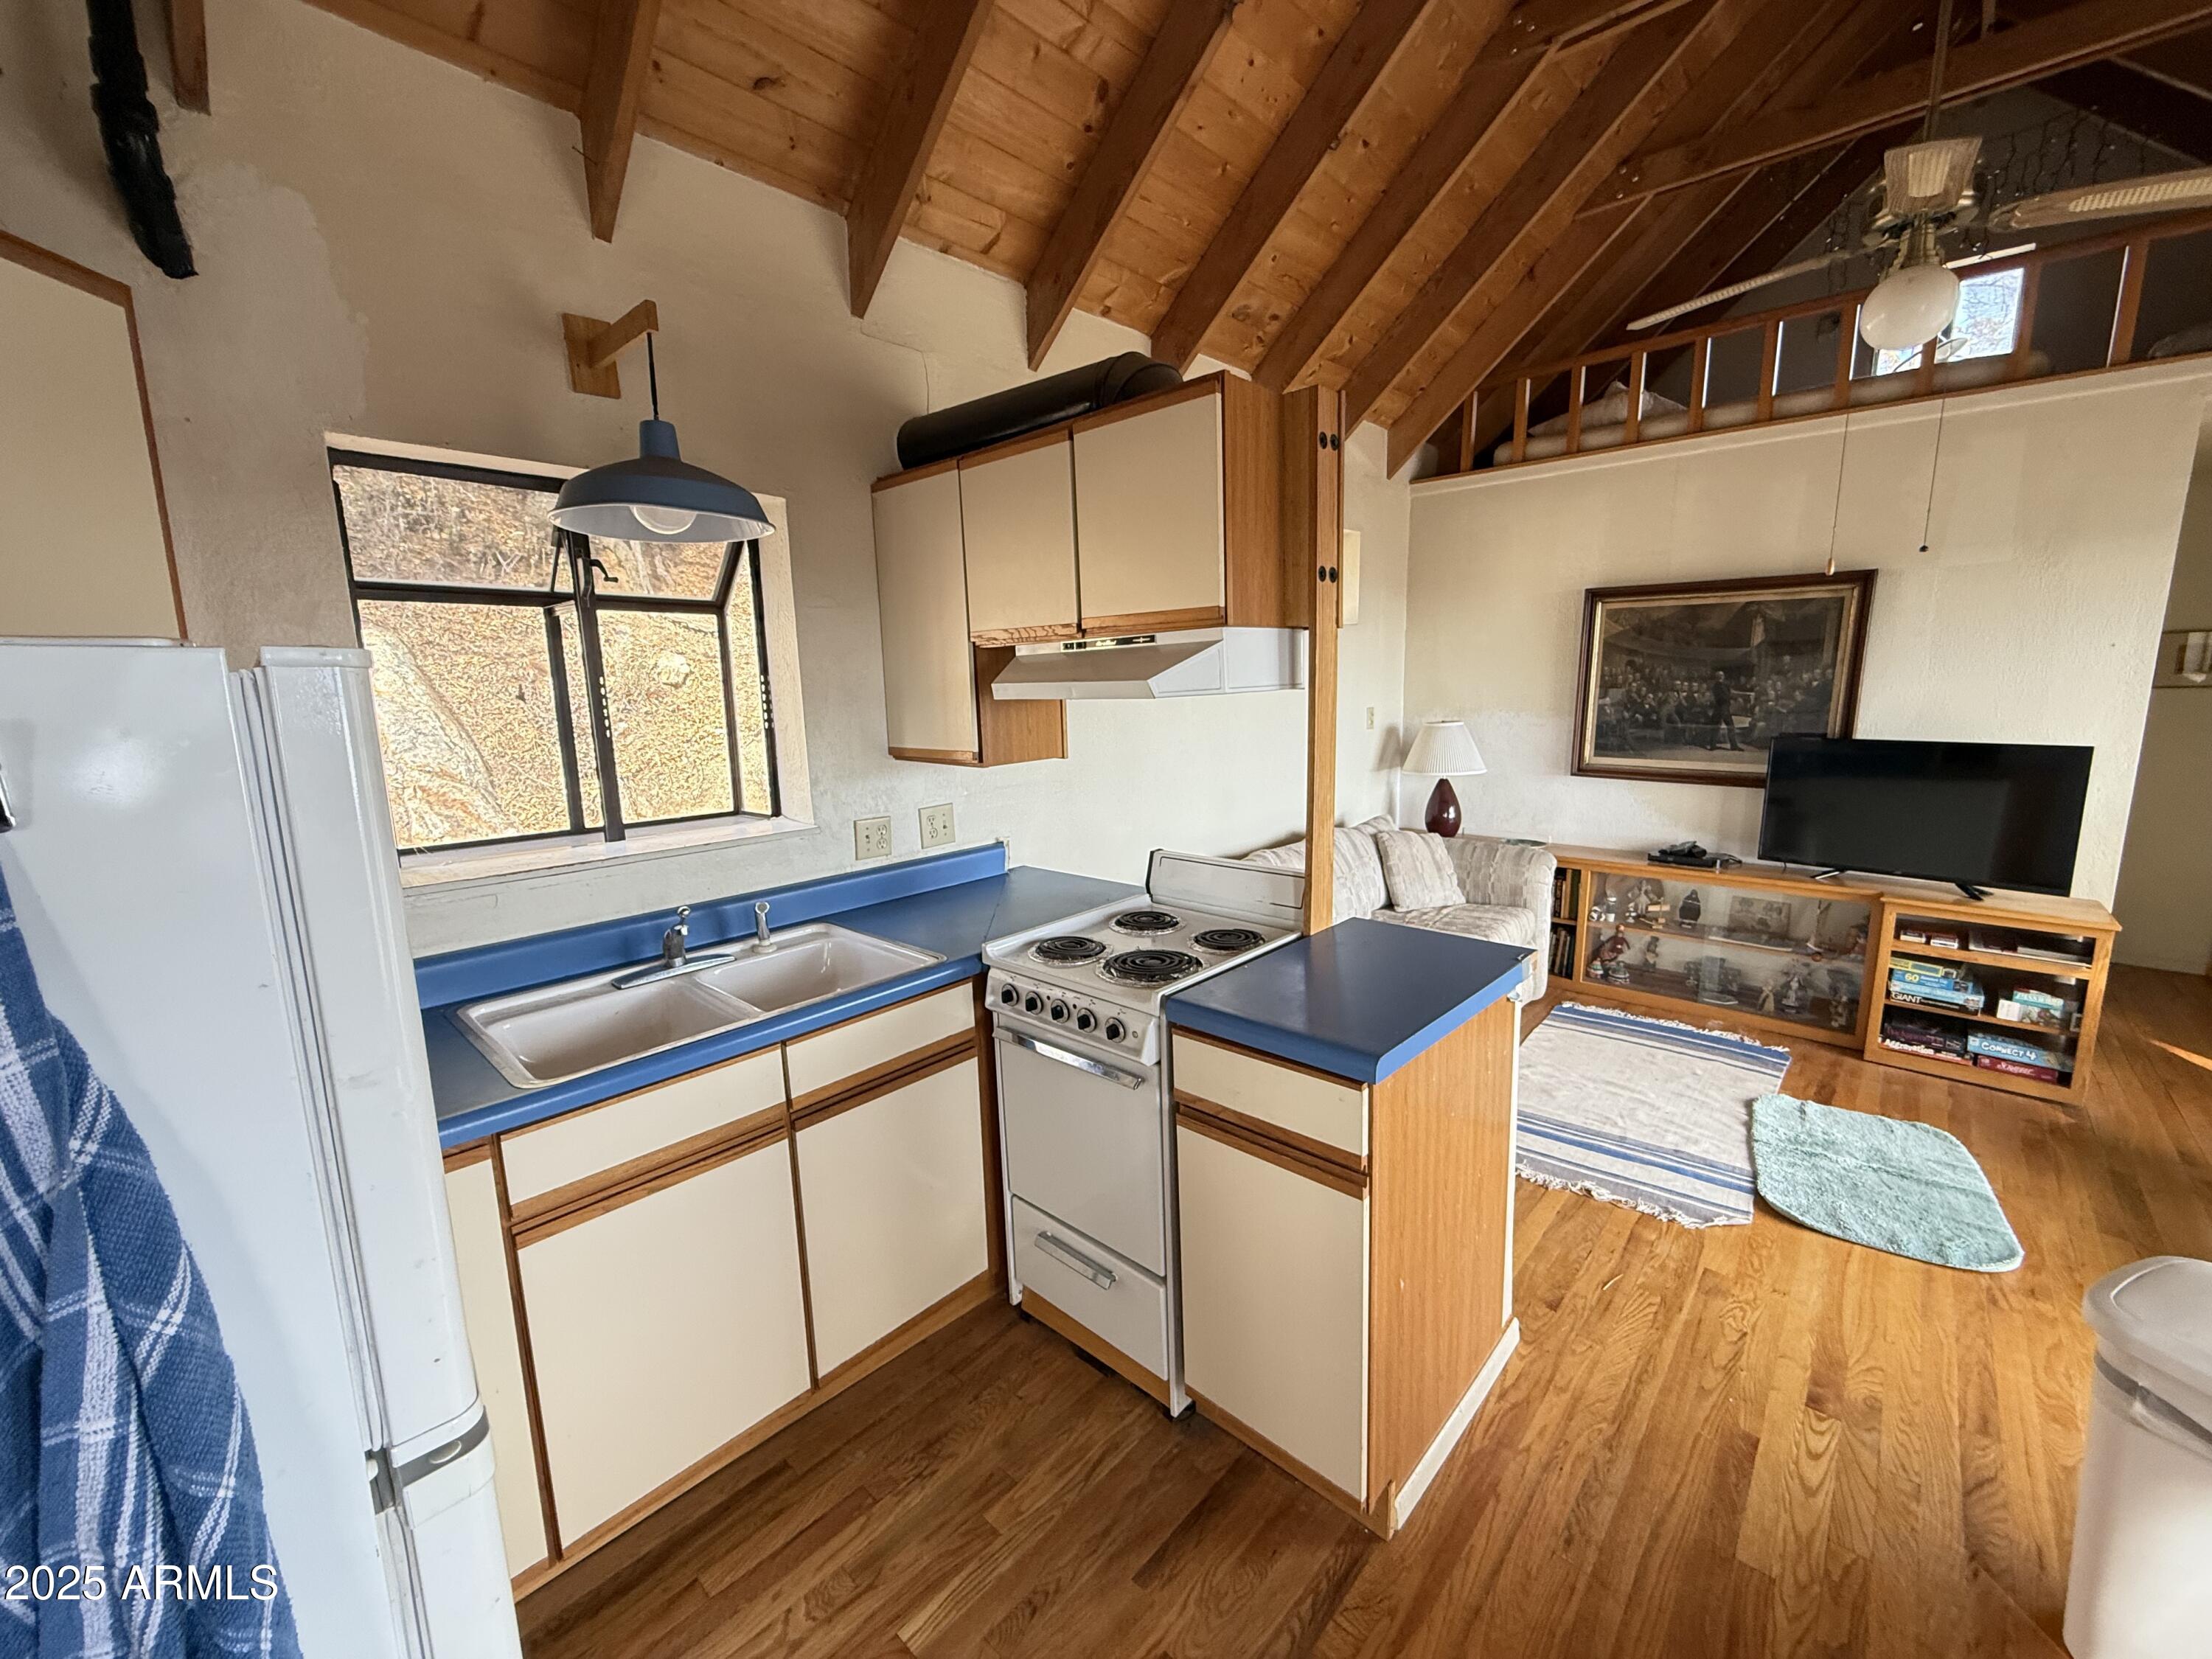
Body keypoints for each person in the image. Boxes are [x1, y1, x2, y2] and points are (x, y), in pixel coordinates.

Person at [1705, 667, 1742, 751]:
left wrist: (1733, 698)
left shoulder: (1720, 686)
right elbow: (1723, 697)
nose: (1722, 677)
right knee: (1729, 727)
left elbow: (1728, 694)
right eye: (1721, 675)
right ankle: (1733, 745)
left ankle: (1713, 745)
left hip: (1721, 709)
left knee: (1717, 727)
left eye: (1722, 675)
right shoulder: (1717, 686)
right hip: (1722, 709)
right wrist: (1733, 699)